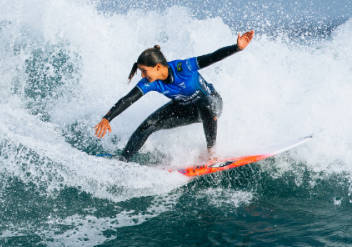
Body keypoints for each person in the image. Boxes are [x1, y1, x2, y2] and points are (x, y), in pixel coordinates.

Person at [94, 31, 254, 162]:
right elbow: (128, 99)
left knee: (205, 103)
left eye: (144, 70)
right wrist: (107, 118)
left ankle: (212, 154)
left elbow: (212, 57)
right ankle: (123, 159)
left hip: (212, 103)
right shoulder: (150, 82)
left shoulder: (181, 67)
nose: (142, 75)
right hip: (185, 108)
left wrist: (237, 48)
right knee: (148, 124)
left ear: (157, 67)